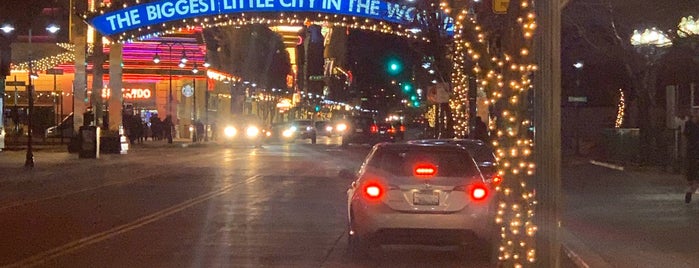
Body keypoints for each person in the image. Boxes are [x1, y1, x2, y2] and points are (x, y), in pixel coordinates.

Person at [683, 109, 699, 203]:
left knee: (694, 172)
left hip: (693, 151)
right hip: (692, 151)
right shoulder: (689, 124)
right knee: (692, 172)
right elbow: (685, 136)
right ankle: (690, 189)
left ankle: (691, 189)